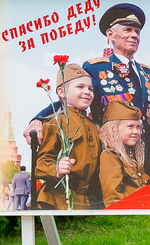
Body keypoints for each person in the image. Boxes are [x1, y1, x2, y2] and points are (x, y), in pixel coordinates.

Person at [32, 70, 103, 209]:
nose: (87, 92)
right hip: (56, 201)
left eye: (90, 89)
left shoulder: (96, 127)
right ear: (61, 92)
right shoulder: (56, 122)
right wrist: (56, 168)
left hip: (86, 202)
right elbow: (39, 165)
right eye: (80, 87)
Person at [83, 4, 150, 115]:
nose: (134, 35)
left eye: (137, 32)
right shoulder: (95, 69)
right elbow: (76, 106)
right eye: (127, 30)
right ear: (110, 35)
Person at [94, 99, 150, 206]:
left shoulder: (133, 154)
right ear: (114, 130)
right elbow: (113, 198)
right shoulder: (110, 157)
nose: (136, 132)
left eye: (138, 127)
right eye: (130, 127)